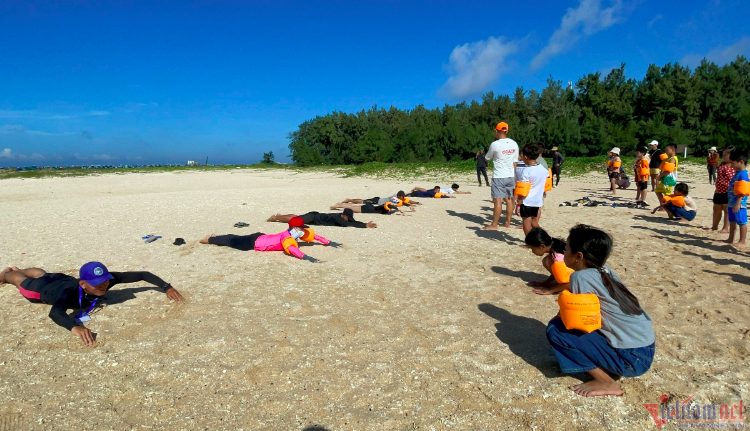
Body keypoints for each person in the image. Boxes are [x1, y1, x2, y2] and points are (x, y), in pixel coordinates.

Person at [546, 224, 655, 397]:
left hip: (631, 360)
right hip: (645, 349)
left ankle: (606, 382)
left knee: (556, 330)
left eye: (566, 249)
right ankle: (608, 364)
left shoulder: (579, 277)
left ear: (578, 256)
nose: (564, 253)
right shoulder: (605, 270)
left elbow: (579, 321)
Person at [0, 263, 184, 346]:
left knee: (42, 272)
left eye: (105, 280)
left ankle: (21, 268)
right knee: (19, 279)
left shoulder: (105, 281)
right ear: (83, 284)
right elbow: (56, 312)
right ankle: (8, 272)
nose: (104, 285)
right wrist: (75, 327)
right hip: (41, 290)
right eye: (98, 283)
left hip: (61, 278)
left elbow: (143, 274)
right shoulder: (69, 293)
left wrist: (166, 287)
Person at [200, 216, 334, 262]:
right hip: (252, 243)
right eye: (300, 229)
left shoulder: (295, 233)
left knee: (235, 237)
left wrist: (329, 243)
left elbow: (312, 235)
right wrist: (306, 257)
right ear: (293, 228)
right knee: (231, 241)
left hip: (260, 236)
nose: (302, 231)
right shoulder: (287, 237)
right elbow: (292, 249)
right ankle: (209, 240)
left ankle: (215, 237)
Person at [483, 122, 519, 230]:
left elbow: (487, 158)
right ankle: (507, 222)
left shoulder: (495, 144)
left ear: (496, 131)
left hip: (499, 175)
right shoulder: (514, 144)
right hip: (510, 175)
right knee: (509, 199)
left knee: (497, 200)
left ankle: (494, 224)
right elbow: (515, 161)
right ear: (506, 131)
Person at [523, 227, 573, 295]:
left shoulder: (558, 259)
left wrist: (550, 290)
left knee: (547, 261)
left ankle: (561, 285)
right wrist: (545, 283)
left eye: (532, 248)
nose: (532, 251)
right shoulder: (554, 244)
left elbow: (570, 283)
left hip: (579, 282)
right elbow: (557, 271)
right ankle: (560, 283)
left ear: (542, 246)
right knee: (547, 260)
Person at [719, 149, 748, 247]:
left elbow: (742, 191)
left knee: (741, 221)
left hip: (739, 204)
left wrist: (738, 203)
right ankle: (730, 238)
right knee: (732, 221)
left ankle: (742, 241)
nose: (731, 165)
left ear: (741, 162)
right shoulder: (737, 173)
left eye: (733, 163)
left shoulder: (743, 175)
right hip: (732, 202)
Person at [516, 143, 548, 235]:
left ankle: (529, 243)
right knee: (534, 222)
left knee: (526, 222)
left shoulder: (526, 171)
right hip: (537, 201)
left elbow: (522, 190)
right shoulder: (543, 169)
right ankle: (544, 238)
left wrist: (518, 204)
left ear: (525, 157)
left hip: (527, 201)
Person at [267, 208, 377, 228]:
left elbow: (353, 222)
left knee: (296, 217)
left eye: (349, 217)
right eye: (346, 217)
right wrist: (365, 226)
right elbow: (348, 224)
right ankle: (275, 218)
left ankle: (278, 216)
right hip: (313, 217)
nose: (347, 219)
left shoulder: (346, 217)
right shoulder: (338, 217)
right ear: (343, 215)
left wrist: (365, 223)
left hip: (315, 215)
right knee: (296, 220)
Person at [712, 147, 735, 233]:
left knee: (726, 210)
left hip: (728, 192)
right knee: (716, 209)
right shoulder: (722, 164)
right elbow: (718, 169)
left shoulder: (733, 166)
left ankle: (725, 227)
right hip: (718, 191)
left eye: (726, 155)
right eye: (723, 155)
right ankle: (714, 226)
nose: (723, 157)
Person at [654, 143, 679, 208]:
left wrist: (660, 176)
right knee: (658, 191)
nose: (665, 151)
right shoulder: (668, 158)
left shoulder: (673, 159)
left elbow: (668, 170)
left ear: (673, 150)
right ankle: (662, 206)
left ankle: (667, 207)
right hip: (665, 178)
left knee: (667, 195)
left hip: (669, 179)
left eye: (667, 150)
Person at [330, 197, 412, 215]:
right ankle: (338, 205)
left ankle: (340, 205)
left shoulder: (388, 204)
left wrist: (408, 206)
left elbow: (393, 208)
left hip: (370, 208)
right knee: (351, 208)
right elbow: (392, 207)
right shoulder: (389, 205)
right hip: (368, 209)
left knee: (352, 207)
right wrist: (400, 210)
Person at [339, 191, 420, 206]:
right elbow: (403, 203)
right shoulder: (394, 198)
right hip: (377, 201)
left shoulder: (400, 198)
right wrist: (408, 205)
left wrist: (416, 203)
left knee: (363, 201)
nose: (403, 198)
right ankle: (349, 200)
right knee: (363, 201)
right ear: (399, 196)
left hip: (379, 200)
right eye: (402, 197)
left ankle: (349, 200)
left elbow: (408, 200)